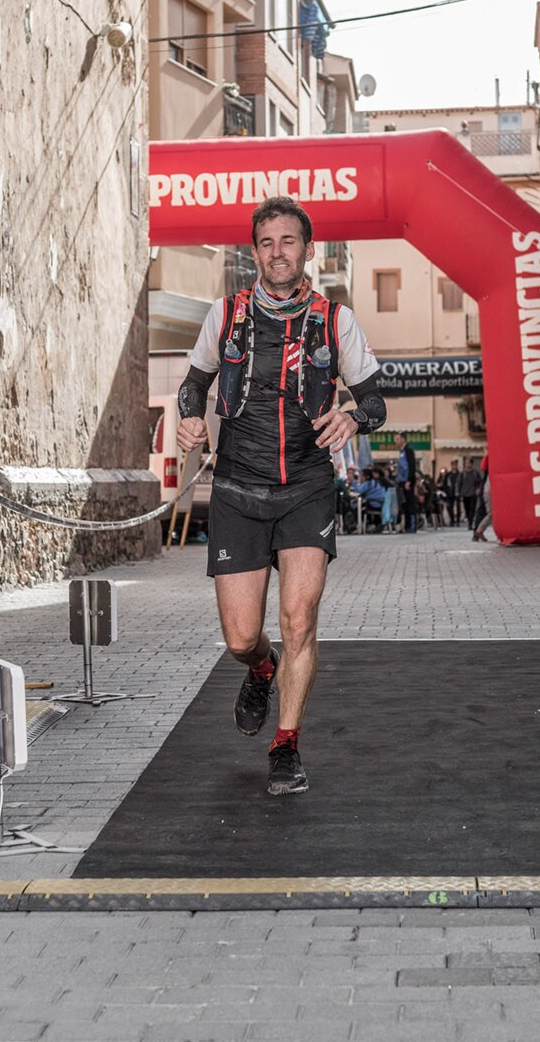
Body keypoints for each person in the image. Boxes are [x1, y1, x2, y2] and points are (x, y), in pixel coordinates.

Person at [175, 196, 386, 796]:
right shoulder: (227, 314)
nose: (277, 253)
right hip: (238, 490)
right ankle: (260, 669)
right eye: (266, 243)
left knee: (300, 621)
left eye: (288, 241)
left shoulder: (334, 321)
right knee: (241, 637)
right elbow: (194, 388)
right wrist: (190, 421)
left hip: (307, 490)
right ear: (254, 252)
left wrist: (352, 415)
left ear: (307, 249)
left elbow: (375, 400)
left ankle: (286, 747)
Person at [395, 435, 420, 533]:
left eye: (397, 439)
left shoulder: (408, 451)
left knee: (410, 503)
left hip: (407, 482)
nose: (396, 441)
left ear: (403, 439)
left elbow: (411, 466)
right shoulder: (401, 452)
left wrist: (409, 481)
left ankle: (412, 526)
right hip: (401, 482)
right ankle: (406, 525)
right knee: (404, 505)